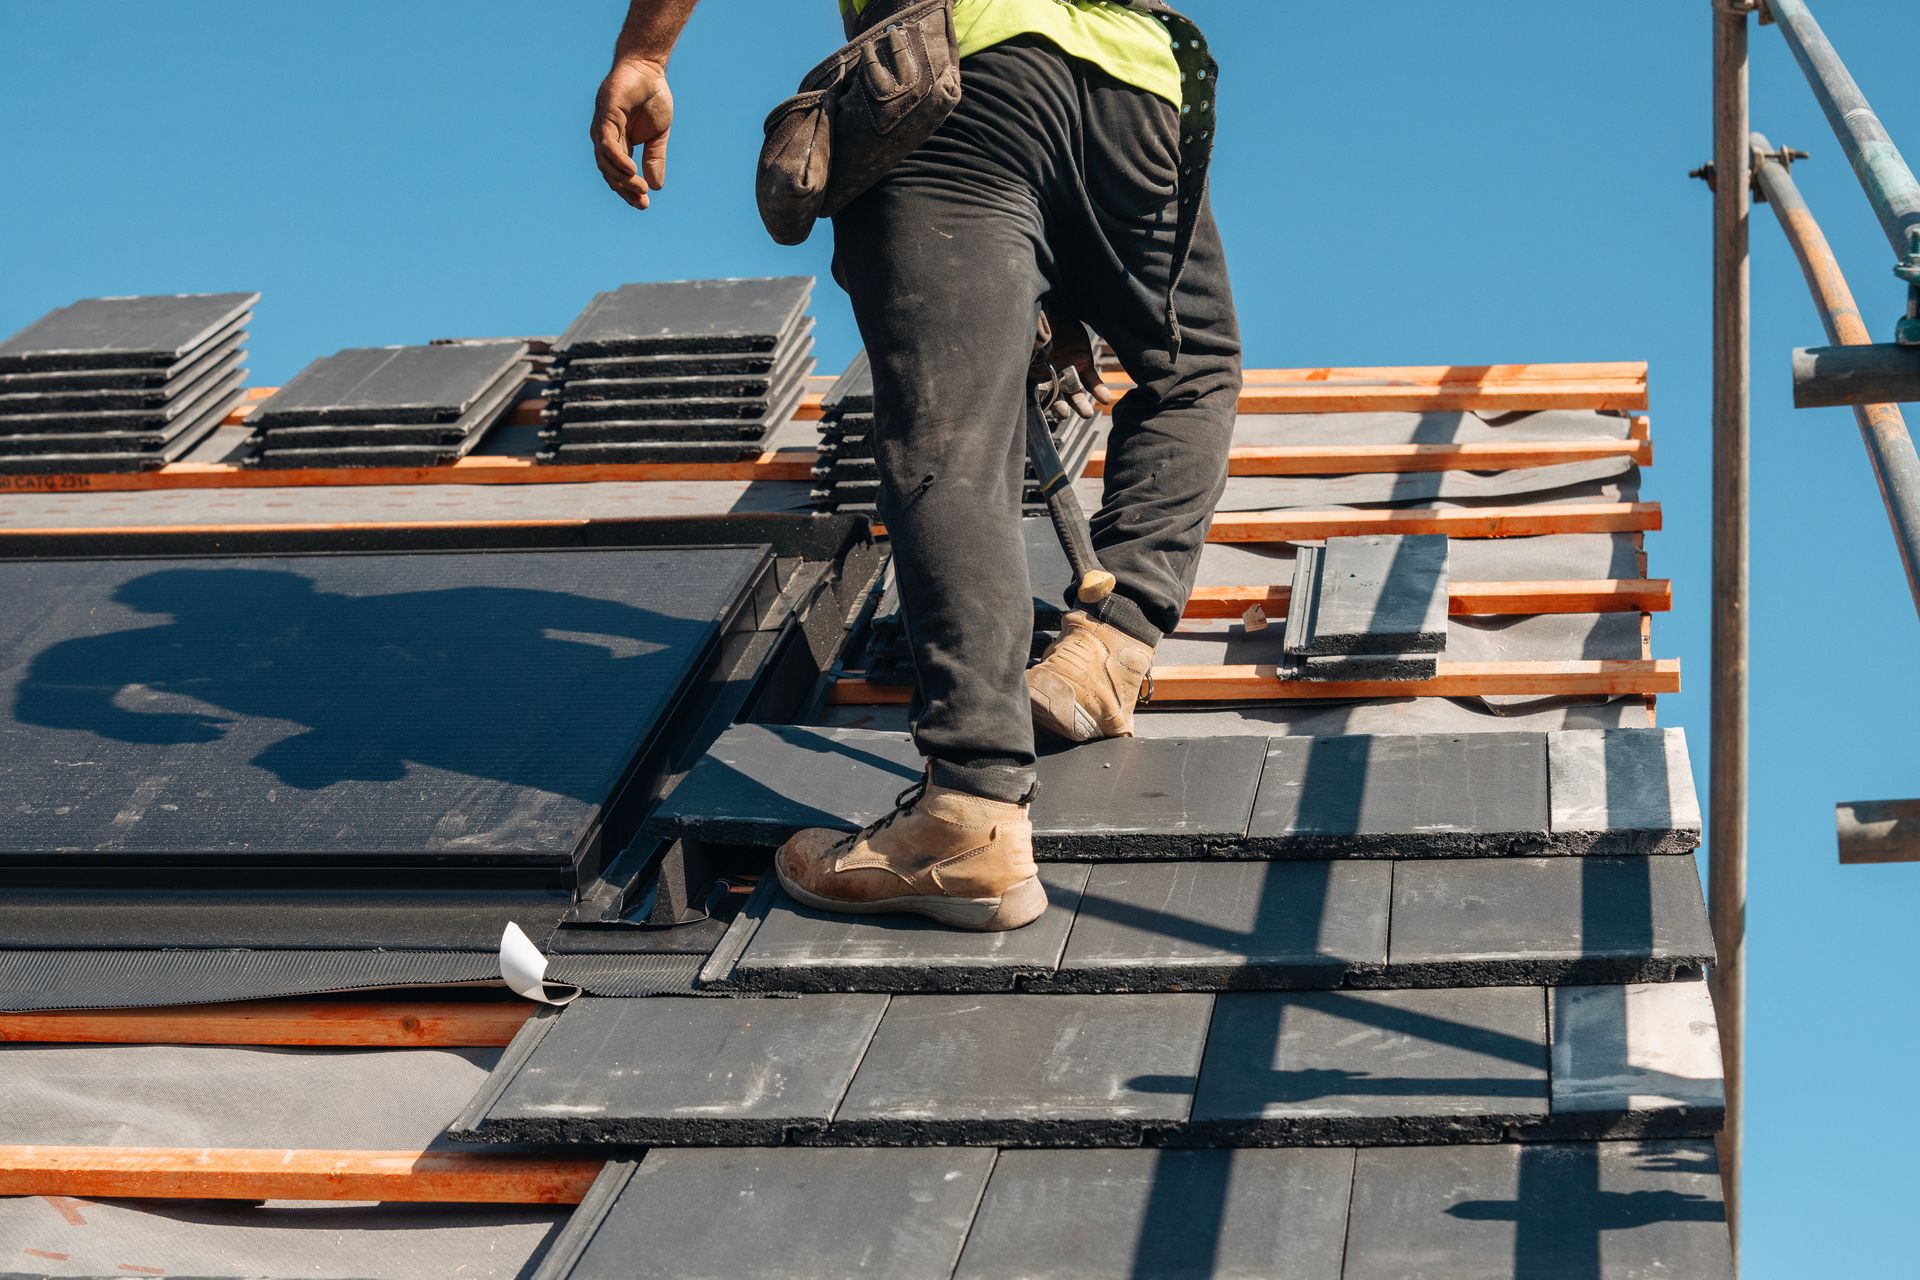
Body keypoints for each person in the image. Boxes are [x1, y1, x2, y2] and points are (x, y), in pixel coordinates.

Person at [594, 0, 1241, 931]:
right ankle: (1113, 645)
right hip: (1133, 88)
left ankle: (970, 811)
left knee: (952, 430)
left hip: (956, 77)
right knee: (1190, 364)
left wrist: (644, 55)